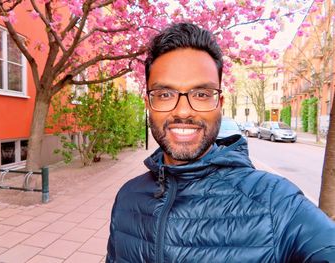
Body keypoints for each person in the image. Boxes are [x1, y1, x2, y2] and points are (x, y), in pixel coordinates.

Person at [106, 22, 335, 263]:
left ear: (220, 103)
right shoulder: (127, 198)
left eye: (202, 94)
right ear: (148, 104)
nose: (183, 111)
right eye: (165, 95)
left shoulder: (275, 202)